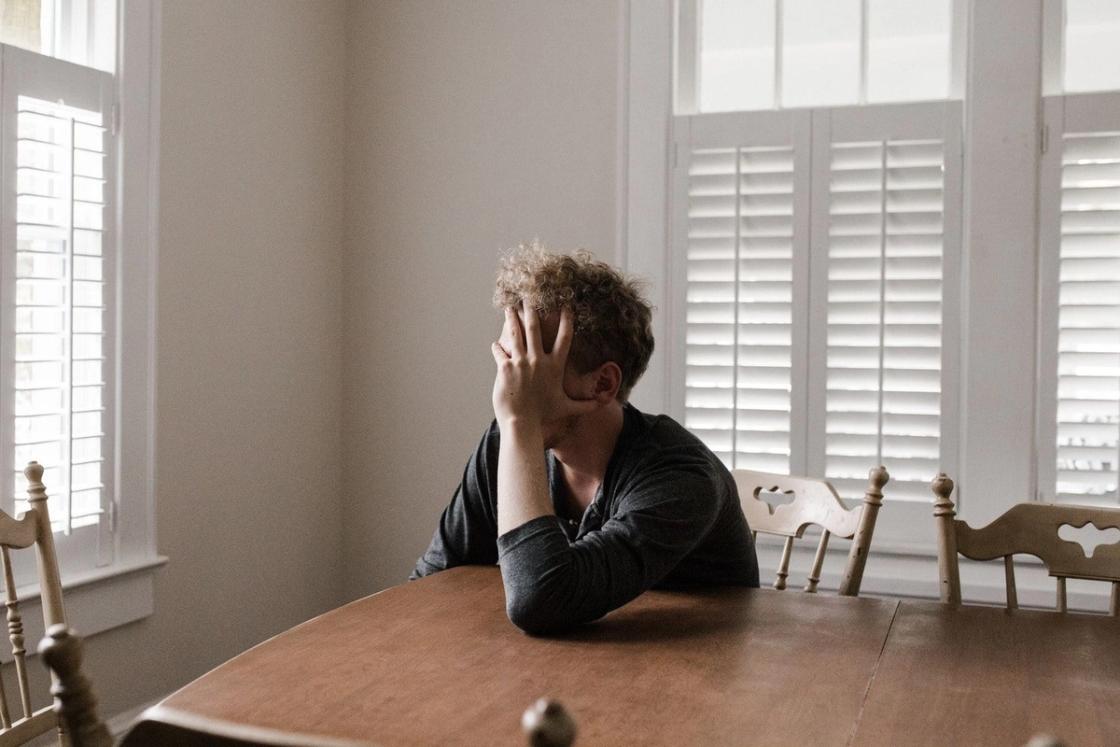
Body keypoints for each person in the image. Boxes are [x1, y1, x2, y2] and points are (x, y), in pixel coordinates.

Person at [412, 244, 759, 633]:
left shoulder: (681, 477)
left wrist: (521, 424)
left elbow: (540, 600)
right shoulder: (506, 443)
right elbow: (430, 584)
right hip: (569, 669)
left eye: (532, 364)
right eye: (508, 360)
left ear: (603, 383)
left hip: (700, 674)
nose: (508, 385)